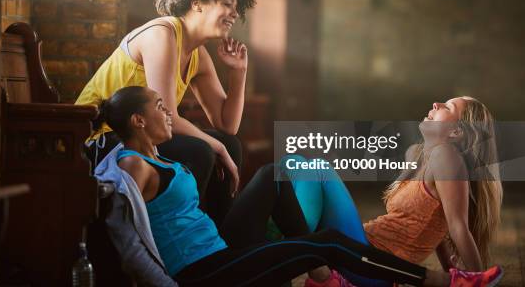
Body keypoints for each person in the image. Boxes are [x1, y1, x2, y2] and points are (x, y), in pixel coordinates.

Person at [98, 86, 503, 287]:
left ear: (458, 132)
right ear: (137, 121)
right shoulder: (132, 165)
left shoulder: (161, 158)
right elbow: (128, 240)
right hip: (201, 271)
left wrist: (468, 269)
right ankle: (429, 282)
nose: (169, 111)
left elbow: (452, 227)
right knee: (316, 224)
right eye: (159, 107)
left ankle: (323, 267)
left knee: (281, 172)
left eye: (446, 108)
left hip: (218, 251)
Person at [76, 0, 256, 225]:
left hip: (140, 136)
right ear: (197, 3)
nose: (234, 13)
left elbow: (227, 125)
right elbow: (167, 114)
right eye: (227, 4)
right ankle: (180, 235)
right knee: (203, 150)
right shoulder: (163, 34)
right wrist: (216, 146)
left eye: (237, 7)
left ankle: (220, 240)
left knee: (230, 144)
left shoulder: (198, 55)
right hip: (101, 139)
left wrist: (238, 72)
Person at [287, 97, 502, 287]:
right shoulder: (419, 156)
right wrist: (450, 271)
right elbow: (436, 226)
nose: (436, 104)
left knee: (317, 168)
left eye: (447, 107)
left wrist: (477, 278)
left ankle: (310, 267)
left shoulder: (446, 156)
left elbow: (457, 226)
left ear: (456, 131)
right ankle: (316, 270)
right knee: (294, 162)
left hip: (371, 265)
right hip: (359, 250)